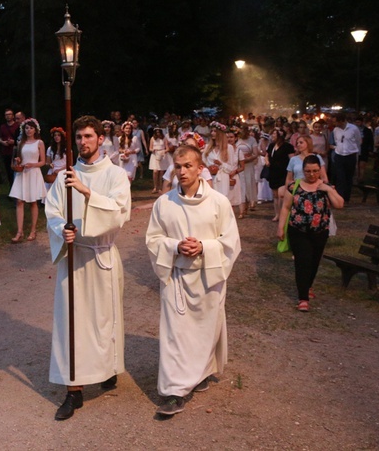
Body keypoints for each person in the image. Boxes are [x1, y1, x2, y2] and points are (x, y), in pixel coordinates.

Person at [45, 115, 131, 421]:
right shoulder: (63, 176)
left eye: (89, 136)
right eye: (79, 137)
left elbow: (119, 213)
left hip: (102, 256)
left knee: (103, 320)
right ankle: (74, 390)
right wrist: (61, 231)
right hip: (74, 257)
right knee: (72, 322)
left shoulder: (116, 175)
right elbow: (52, 210)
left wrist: (85, 191)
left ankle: (106, 369)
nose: (83, 142)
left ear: (101, 139)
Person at [146, 144, 241, 416]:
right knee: (175, 336)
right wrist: (176, 246)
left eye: (188, 166)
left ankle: (199, 373)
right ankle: (174, 392)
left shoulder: (219, 203)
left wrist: (203, 247)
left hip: (208, 277)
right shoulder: (164, 203)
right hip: (176, 276)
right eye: (178, 166)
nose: (182, 171)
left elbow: (231, 242)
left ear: (201, 168)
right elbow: (152, 239)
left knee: (203, 334)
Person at [277, 155, 344, 312]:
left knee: (314, 262)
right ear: (303, 171)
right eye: (308, 171)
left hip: (320, 231)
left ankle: (308, 286)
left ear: (320, 170)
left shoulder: (326, 187)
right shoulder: (294, 186)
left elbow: (339, 204)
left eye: (315, 171)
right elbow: (286, 207)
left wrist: (328, 189)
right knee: (303, 261)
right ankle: (303, 298)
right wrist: (280, 227)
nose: (312, 174)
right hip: (298, 230)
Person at [9, 118, 47, 242]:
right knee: (19, 201)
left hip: (33, 172)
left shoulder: (39, 143)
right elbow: (18, 158)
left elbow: (43, 161)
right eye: (26, 128)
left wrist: (33, 164)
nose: (28, 130)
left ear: (35, 130)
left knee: (33, 202)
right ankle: (19, 231)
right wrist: (18, 161)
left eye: (31, 128)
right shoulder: (21, 143)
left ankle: (33, 230)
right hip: (22, 174)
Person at [331, 114, 361, 203]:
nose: (334, 123)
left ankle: (346, 198)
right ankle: (340, 197)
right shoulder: (336, 130)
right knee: (340, 177)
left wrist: (353, 149)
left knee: (348, 177)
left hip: (350, 155)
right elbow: (337, 141)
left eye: (335, 121)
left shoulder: (354, 128)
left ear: (341, 121)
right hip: (339, 155)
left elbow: (358, 140)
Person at [266, 128, 295, 222]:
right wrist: (267, 161)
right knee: (275, 194)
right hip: (273, 172)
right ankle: (277, 214)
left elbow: (292, 159)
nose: (273, 136)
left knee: (281, 193)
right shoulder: (271, 145)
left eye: (274, 134)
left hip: (284, 172)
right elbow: (267, 155)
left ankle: (284, 213)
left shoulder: (287, 146)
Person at [203, 122, 236, 199]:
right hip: (210, 178)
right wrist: (209, 167)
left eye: (215, 131)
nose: (212, 133)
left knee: (222, 199)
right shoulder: (207, 147)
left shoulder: (229, 148)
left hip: (223, 178)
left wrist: (220, 164)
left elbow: (231, 168)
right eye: (211, 131)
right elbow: (203, 162)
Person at [237, 125, 259, 214]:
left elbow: (255, 154)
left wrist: (247, 159)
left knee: (249, 183)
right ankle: (243, 205)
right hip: (239, 165)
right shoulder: (237, 139)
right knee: (241, 185)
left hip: (248, 165)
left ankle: (250, 201)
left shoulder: (252, 140)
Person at [0, 109, 20, 185]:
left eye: (9, 114)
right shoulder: (3, 127)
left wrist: (13, 142)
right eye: (6, 115)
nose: (8, 116)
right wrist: (3, 142)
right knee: (8, 171)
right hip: (6, 152)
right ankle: (11, 188)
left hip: (15, 152)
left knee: (15, 170)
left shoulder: (17, 126)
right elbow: (0, 138)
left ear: (13, 116)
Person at [149, 128, 171, 193]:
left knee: (161, 172)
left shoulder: (164, 138)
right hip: (155, 155)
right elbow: (150, 148)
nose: (158, 134)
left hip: (162, 155)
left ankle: (160, 188)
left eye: (159, 132)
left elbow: (167, 148)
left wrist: (164, 151)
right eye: (157, 132)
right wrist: (152, 150)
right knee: (155, 171)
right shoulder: (152, 138)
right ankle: (155, 186)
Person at [45, 127, 67, 191]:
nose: (56, 137)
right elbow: (48, 162)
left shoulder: (67, 149)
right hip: (53, 170)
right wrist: (49, 165)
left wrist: (60, 170)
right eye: (55, 135)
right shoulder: (50, 149)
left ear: (62, 137)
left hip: (64, 170)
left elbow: (70, 163)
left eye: (58, 135)